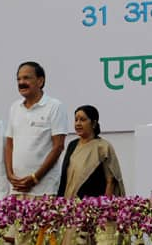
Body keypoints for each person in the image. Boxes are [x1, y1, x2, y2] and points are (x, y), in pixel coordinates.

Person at [57, 105, 124, 245]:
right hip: (71, 209)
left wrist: (104, 210)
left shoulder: (103, 147)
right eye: (76, 120)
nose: (78, 124)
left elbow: (111, 181)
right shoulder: (72, 145)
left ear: (93, 123)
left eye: (82, 120)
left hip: (92, 210)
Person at [4, 61, 67, 196]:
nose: (21, 82)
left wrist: (35, 177)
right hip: (17, 187)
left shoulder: (54, 106)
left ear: (40, 81)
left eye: (26, 78)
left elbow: (58, 147)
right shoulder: (15, 107)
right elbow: (9, 144)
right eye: (19, 79)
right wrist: (9, 175)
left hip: (44, 189)